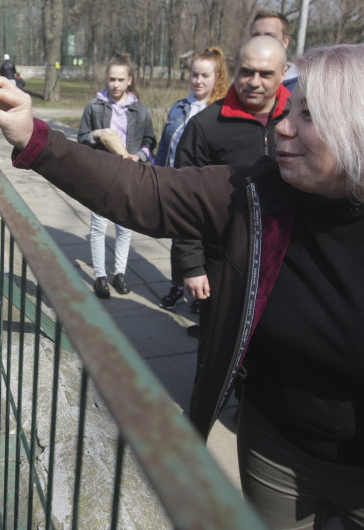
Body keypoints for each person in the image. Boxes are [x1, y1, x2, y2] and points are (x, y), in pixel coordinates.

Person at [0, 44, 364, 530]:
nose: (283, 127)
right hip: (277, 454)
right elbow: (139, 190)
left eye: (309, 116)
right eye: (290, 109)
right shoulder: (256, 192)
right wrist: (33, 137)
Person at [169, 36, 290, 338]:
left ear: (284, 73)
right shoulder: (207, 125)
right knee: (218, 351)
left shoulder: (301, 119)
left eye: (266, 74)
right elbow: (184, 200)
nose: (254, 82)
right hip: (223, 261)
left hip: (286, 261)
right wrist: (192, 264)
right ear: (235, 69)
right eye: (247, 71)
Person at [153, 47, 230, 312]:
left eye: (205, 75)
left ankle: (201, 294)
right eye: (195, 75)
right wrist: (158, 176)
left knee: (204, 243)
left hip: (205, 191)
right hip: (177, 186)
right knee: (179, 240)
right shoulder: (179, 108)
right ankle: (177, 285)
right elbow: (164, 147)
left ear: (217, 77)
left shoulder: (220, 112)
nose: (198, 80)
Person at [77, 53, 156, 298]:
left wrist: (139, 157)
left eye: (121, 79)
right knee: (99, 227)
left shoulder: (140, 110)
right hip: (101, 176)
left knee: (124, 228)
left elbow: (149, 141)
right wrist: (96, 134)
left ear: (129, 80)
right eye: (112, 79)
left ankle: (119, 274)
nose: (115, 85)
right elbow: (82, 138)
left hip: (127, 176)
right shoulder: (95, 105)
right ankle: (100, 276)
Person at [251, 10, 299, 90]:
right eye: (256, 36)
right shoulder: (240, 85)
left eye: (270, 37)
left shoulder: (300, 87)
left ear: (285, 42)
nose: (261, 41)